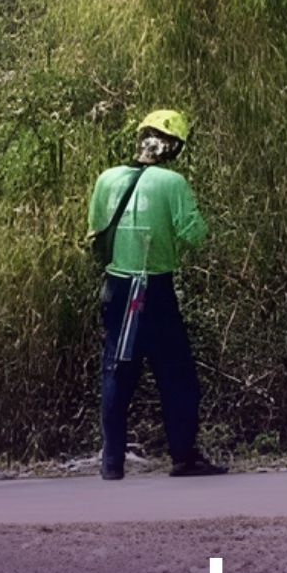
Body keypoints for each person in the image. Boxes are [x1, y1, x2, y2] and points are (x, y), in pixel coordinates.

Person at [87, 107, 219, 480]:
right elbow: (194, 233)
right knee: (176, 374)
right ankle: (184, 457)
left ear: (142, 138)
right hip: (155, 289)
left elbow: (95, 231)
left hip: (116, 286)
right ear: (173, 147)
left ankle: (111, 463)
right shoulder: (172, 183)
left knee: (117, 371)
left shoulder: (107, 179)